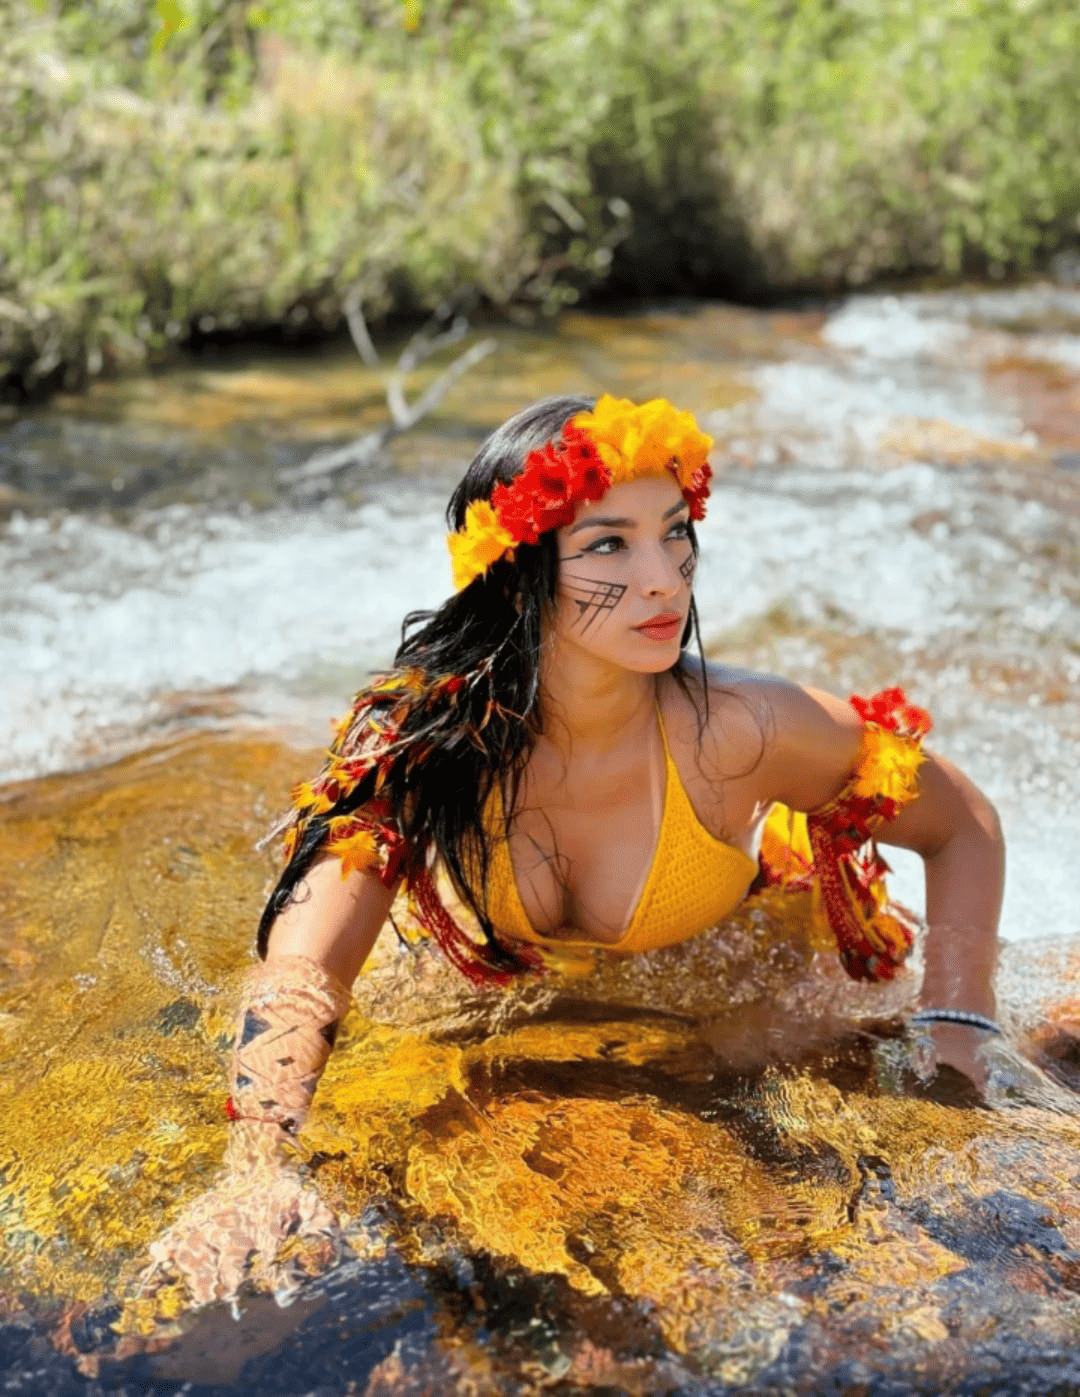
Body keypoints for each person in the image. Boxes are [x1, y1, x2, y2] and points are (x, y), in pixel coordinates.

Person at [148, 394, 1004, 1305]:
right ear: (518, 572)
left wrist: (957, 1040)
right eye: (609, 545)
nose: (665, 579)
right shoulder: (421, 743)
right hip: (497, 998)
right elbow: (305, 966)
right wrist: (256, 1168)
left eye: (674, 533)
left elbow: (961, 826)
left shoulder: (744, 729)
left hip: (726, 988)